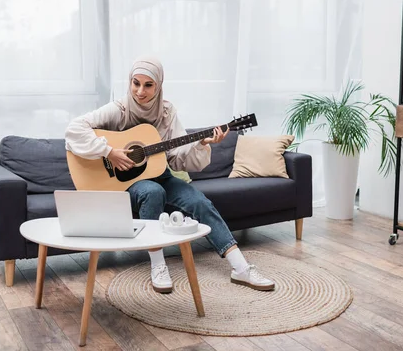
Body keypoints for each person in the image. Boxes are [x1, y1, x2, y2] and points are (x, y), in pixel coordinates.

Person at [64, 56, 275, 293]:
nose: (140, 91)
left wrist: (202, 143)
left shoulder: (166, 112)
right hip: (130, 184)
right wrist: (109, 151)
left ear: (159, 85)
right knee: (152, 192)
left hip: (161, 174)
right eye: (136, 83)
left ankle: (241, 268)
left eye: (148, 85)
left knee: (199, 202)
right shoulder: (119, 109)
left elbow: (176, 156)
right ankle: (158, 265)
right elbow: (74, 129)